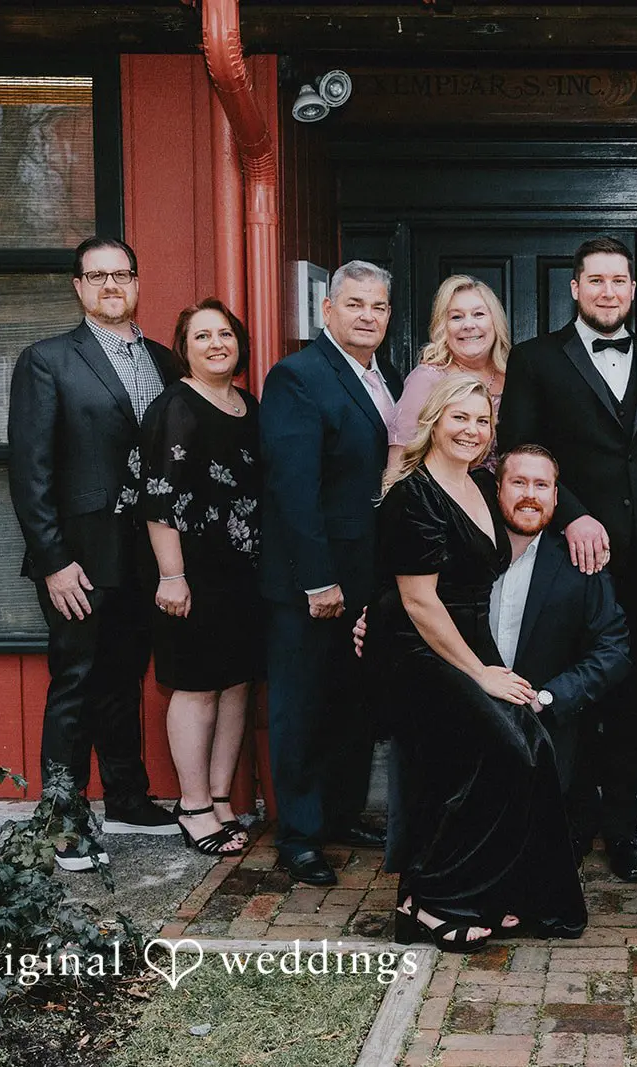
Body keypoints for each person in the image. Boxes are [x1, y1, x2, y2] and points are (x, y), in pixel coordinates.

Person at [368, 375, 587, 951]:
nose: (471, 430)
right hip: (421, 647)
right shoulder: (411, 494)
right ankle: (432, 902)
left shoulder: (482, 487)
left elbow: (531, 507)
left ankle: (508, 890)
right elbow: (418, 599)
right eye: (459, 418)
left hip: (467, 640)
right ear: (435, 421)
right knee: (504, 753)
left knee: (533, 747)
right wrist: (480, 672)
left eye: (482, 421)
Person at [499, 236, 637, 881]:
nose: (609, 292)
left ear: (633, 291)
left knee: (636, 697)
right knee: (568, 689)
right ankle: (571, 820)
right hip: (568, 550)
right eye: (596, 281)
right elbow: (520, 448)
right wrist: (573, 511)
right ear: (575, 290)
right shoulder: (534, 359)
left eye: (620, 281)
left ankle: (624, 830)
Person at [359, 443, 632, 866]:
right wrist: (374, 629)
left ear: (557, 498)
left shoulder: (578, 565)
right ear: (495, 489)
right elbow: (410, 603)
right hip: (455, 725)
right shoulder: (460, 557)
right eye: (518, 482)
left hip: (538, 734)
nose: (530, 494)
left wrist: (546, 698)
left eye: (542, 485)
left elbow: (613, 649)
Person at [8, 236, 180, 872]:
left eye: (123, 275)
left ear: (137, 284)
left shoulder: (164, 360)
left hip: (143, 555)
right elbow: (30, 472)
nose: (112, 286)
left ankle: (128, 798)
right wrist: (53, 560)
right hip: (78, 557)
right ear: (78, 287)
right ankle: (60, 821)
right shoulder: (48, 361)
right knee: (76, 682)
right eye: (97, 276)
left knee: (123, 678)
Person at [259, 260, 398, 886]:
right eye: (356, 304)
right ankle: (300, 836)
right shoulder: (298, 377)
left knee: (353, 704)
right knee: (304, 708)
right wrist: (317, 579)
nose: (368, 316)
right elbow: (294, 488)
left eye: (379, 307)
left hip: (366, 574)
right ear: (327, 310)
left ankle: (341, 815)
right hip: (312, 582)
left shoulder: (382, 376)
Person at [138, 298, 261, 857]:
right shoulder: (175, 408)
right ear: (184, 349)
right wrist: (172, 576)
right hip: (192, 574)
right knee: (195, 686)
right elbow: (158, 502)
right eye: (202, 336)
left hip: (244, 573)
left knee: (235, 684)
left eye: (225, 334)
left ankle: (218, 798)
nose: (217, 344)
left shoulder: (247, 404)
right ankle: (191, 806)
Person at [386, 275, 511, 471]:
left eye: (478, 314)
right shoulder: (428, 379)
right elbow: (400, 463)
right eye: (456, 317)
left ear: (495, 322)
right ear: (443, 326)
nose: (468, 325)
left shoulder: (514, 376)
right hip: (445, 499)